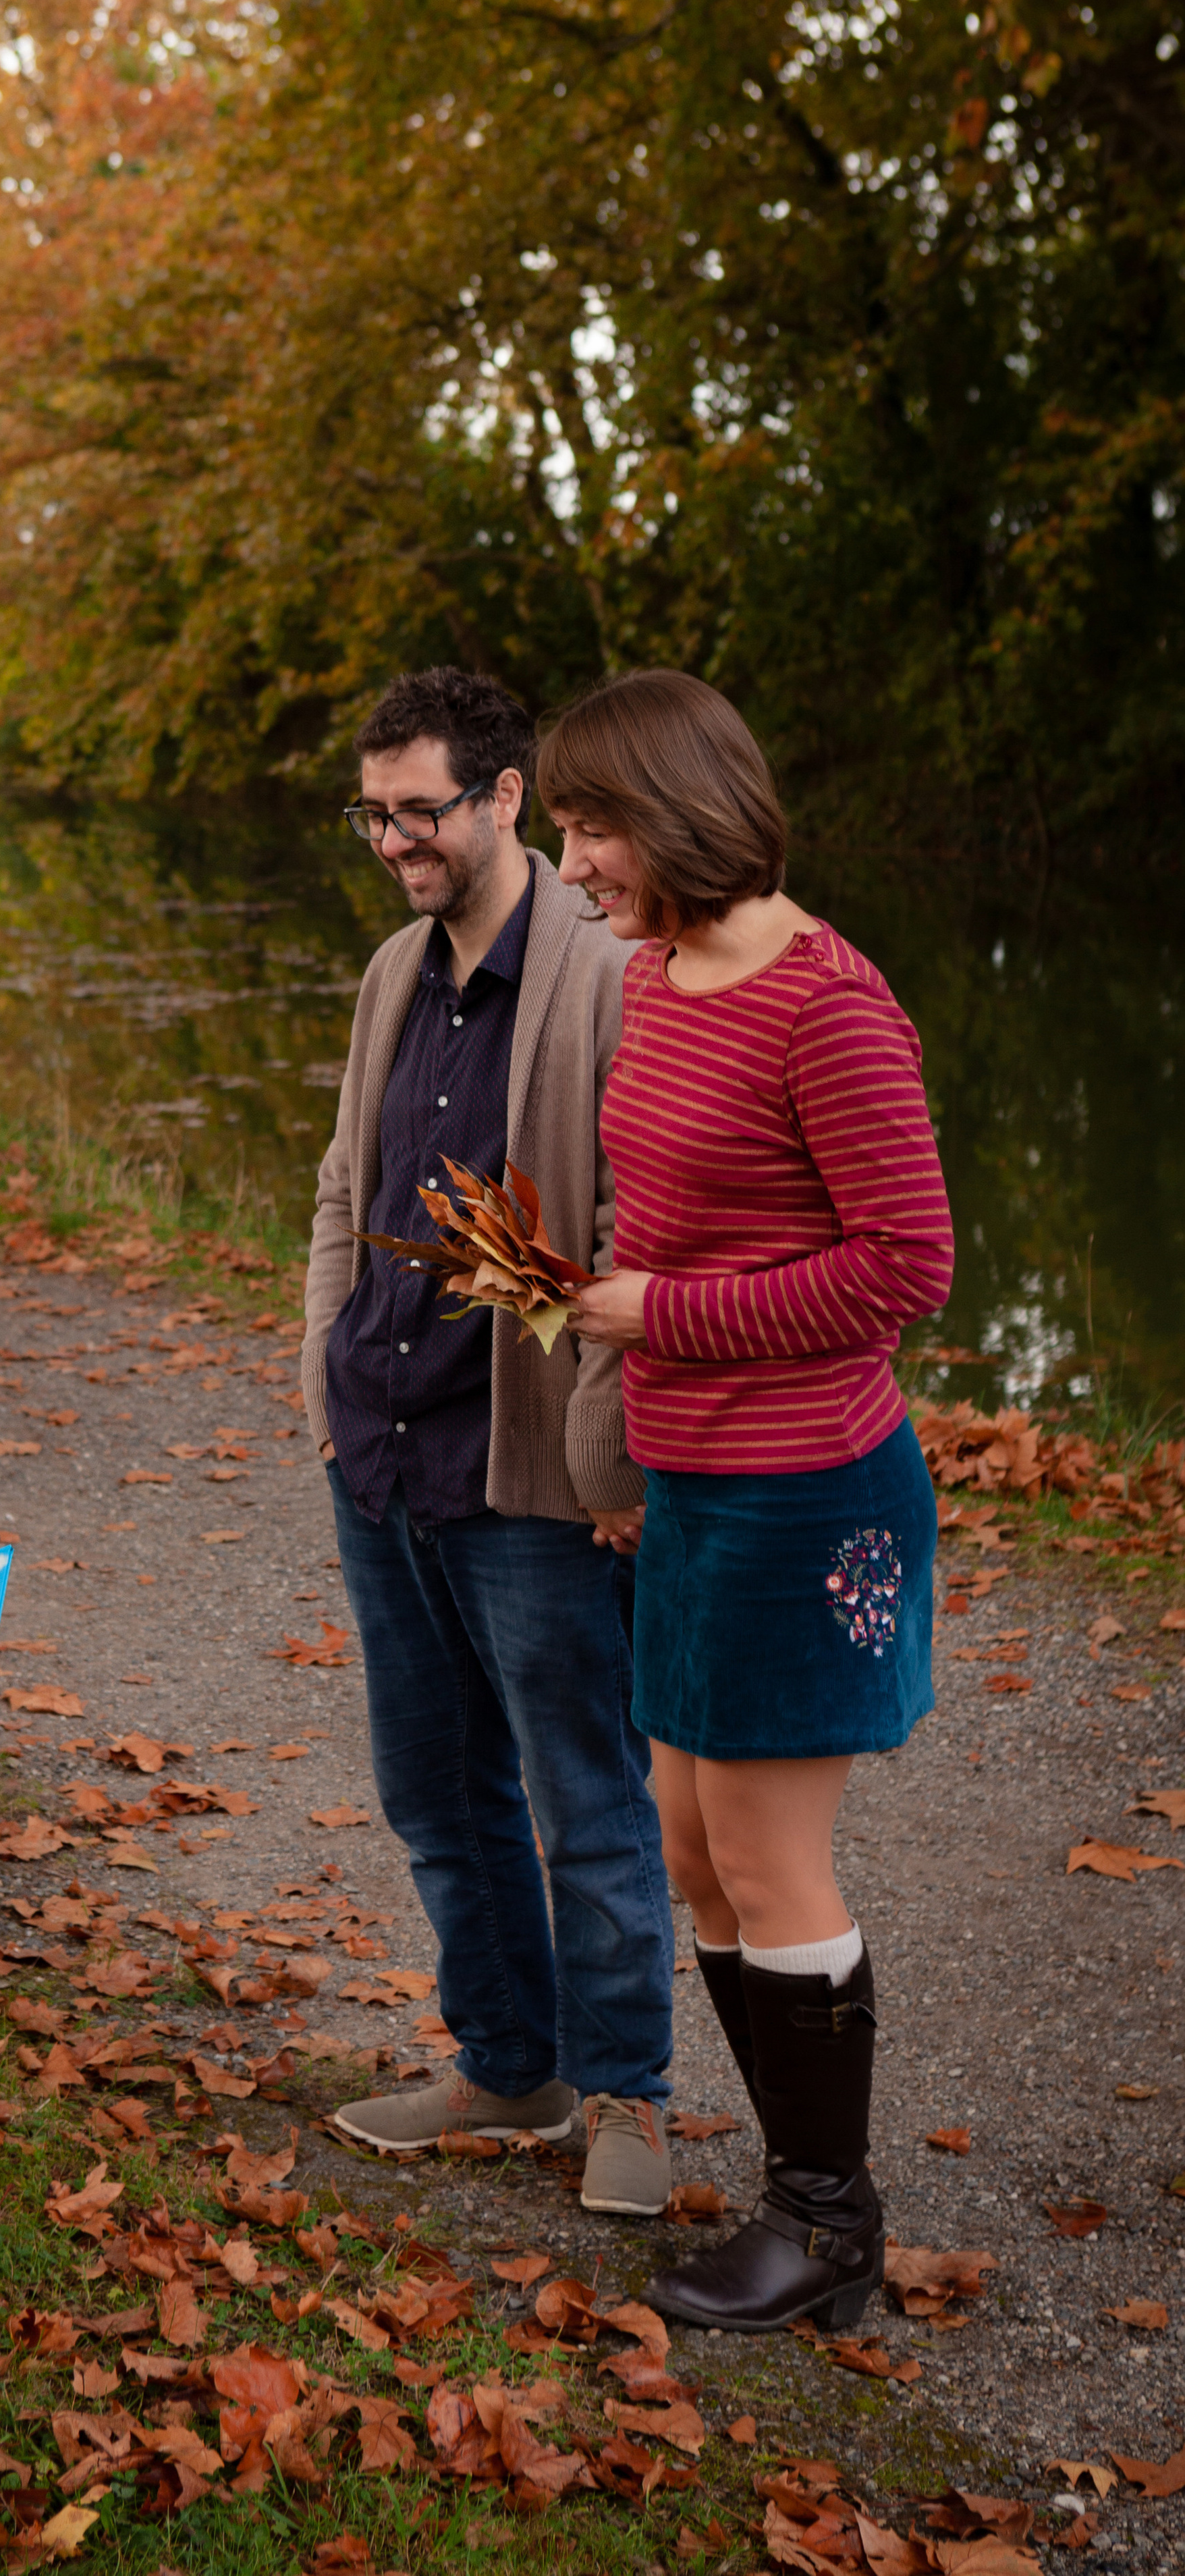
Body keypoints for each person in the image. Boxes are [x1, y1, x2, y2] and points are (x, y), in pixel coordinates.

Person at [545, 668, 954, 2330]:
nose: (571, 866)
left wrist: (665, 1317)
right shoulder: (655, 974)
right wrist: (632, 1410)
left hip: (810, 1495)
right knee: (688, 1849)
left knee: (769, 1866)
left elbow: (904, 1267)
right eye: (565, 832)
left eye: (590, 828)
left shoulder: (827, 1004)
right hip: (695, 1484)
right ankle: (804, 2189)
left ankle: (826, 2228)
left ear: (678, 812)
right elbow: (669, 1208)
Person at [303, 664, 676, 2216]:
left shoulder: (606, 971)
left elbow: (642, 1223)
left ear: (507, 796)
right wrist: (321, 1376)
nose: (396, 842)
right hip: (381, 1451)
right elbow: (343, 1183)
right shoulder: (393, 970)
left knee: (578, 1793)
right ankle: (505, 2065)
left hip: (527, 1474)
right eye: (374, 815)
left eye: (422, 812)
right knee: (434, 1790)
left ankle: (626, 2100)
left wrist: (618, 1468)